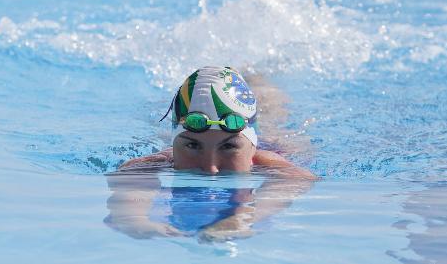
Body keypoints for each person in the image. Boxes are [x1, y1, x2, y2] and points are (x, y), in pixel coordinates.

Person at [105, 66, 316, 241]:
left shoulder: (269, 160)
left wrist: (244, 218)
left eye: (229, 146)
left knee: (270, 103)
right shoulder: (158, 161)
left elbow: (297, 181)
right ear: (175, 143)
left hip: (274, 138)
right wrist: (138, 222)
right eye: (193, 146)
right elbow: (128, 191)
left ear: (253, 145)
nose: (210, 168)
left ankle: (258, 72)